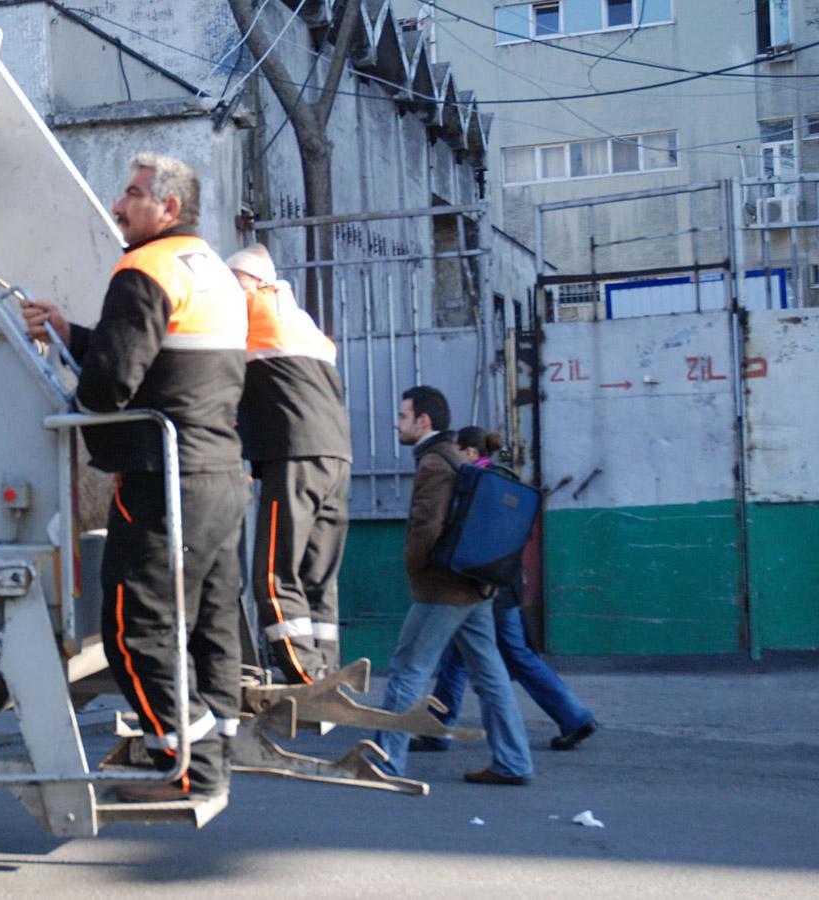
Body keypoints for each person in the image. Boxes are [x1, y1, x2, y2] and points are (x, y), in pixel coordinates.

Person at [20, 153, 249, 802]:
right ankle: (214, 751)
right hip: (218, 474)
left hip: (161, 480)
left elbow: (111, 384)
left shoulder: (143, 268)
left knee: (135, 629)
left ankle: (188, 769)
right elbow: (164, 361)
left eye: (132, 194)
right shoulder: (211, 272)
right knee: (207, 625)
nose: (118, 207)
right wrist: (73, 331)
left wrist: (71, 389)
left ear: (168, 209)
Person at [372, 387, 534, 785]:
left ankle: (384, 762)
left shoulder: (433, 461)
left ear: (423, 420)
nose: (397, 422)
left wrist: (415, 569)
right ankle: (513, 762)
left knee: (407, 670)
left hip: (443, 589)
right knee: (490, 675)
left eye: (403, 414)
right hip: (474, 586)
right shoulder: (456, 457)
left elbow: (426, 526)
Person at [411, 427, 599, 753]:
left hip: (483, 586)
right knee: (460, 658)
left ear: (470, 452)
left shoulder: (477, 482)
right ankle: (436, 729)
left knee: (510, 655)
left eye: (460, 451)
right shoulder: (504, 477)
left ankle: (573, 715)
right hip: (503, 582)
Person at [227, 244, 352, 685]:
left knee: (273, 574)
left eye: (234, 282)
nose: (229, 291)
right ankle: (327, 670)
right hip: (336, 457)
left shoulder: (250, 309)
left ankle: (304, 675)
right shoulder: (305, 325)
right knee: (317, 574)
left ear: (256, 282)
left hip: (295, 455)